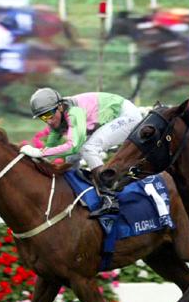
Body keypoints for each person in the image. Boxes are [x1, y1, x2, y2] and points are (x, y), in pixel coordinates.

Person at [20, 88, 143, 218]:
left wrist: (39, 153)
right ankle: (74, 195)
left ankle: (109, 198)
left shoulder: (74, 112)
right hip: (111, 119)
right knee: (71, 159)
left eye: (49, 114)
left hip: (127, 116)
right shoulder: (57, 118)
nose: (48, 121)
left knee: (89, 148)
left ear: (60, 107)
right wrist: (35, 159)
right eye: (43, 117)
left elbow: (73, 146)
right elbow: (49, 150)